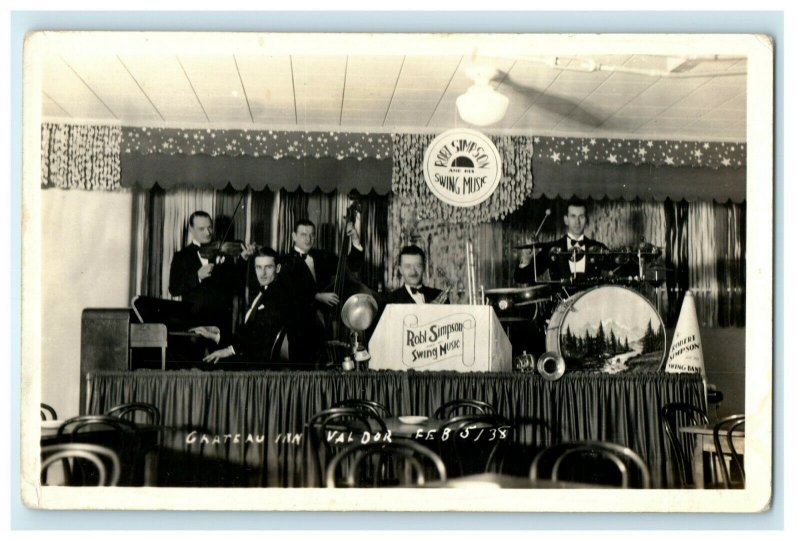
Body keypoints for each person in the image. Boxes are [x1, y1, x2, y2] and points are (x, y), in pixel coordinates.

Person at [280, 218, 364, 366]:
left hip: (325, 324)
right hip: (300, 329)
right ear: (293, 236)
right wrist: (317, 296)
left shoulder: (321, 256)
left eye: (312, 234)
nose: (308, 238)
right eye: (303, 234)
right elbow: (288, 291)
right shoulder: (285, 260)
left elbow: (351, 266)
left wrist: (355, 240)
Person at [191, 247, 289, 365]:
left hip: (256, 365)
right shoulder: (265, 293)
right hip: (248, 358)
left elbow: (261, 337)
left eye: (268, 267)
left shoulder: (278, 295)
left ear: (277, 268)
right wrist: (215, 334)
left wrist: (229, 350)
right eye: (258, 267)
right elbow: (247, 334)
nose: (262, 273)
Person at [168, 211, 255, 340]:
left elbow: (235, 283)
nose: (208, 233)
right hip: (193, 322)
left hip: (220, 323)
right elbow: (174, 289)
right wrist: (197, 276)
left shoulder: (223, 251)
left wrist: (243, 259)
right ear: (191, 229)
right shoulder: (181, 256)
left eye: (209, 227)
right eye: (201, 229)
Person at [515, 199, 608, 284]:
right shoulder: (551, 248)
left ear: (586, 219)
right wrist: (525, 258)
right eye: (573, 216)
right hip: (561, 301)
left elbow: (618, 268)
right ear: (566, 220)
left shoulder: (598, 248)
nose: (577, 222)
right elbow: (520, 278)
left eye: (581, 216)